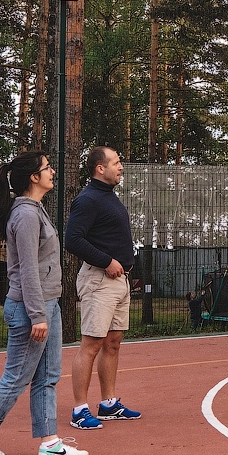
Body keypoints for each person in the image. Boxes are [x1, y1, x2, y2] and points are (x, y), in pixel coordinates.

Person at [0, 151, 88, 455]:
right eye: (47, 168)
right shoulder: (27, 216)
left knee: (46, 378)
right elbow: (28, 271)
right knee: (15, 379)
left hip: (46, 304)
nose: (52, 172)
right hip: (32, 308)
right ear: (34, 177)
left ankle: (50, 445)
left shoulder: (34, 210)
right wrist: (38, 316)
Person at [65, 146, 142, 429]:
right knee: (91, 345)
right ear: (100, 168)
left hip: (118, 282)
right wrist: (107, 261)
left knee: (113, 343)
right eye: (116, 162)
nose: (121, 167)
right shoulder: (87, 200)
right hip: (99, 280)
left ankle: (108, 404)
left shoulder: (108, 196)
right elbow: (73, 240)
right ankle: (78, 410)